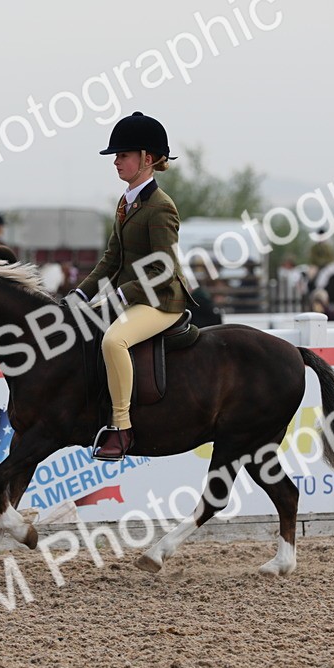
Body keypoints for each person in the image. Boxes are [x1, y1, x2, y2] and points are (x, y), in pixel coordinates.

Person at [73, 111, 195, 461]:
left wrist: (120, 295)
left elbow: (163, 267)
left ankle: (122, 428)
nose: (116, 161)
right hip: (131, 296)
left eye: (123, 155)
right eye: (117, 155)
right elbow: (111, 258)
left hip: (161, 301)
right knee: (81, 328)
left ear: (147, 158)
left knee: (114, 340)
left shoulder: (160, 207)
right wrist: (82, 294)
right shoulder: (127, 201)